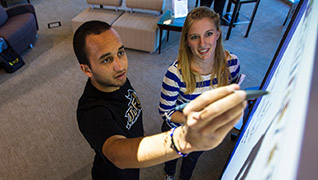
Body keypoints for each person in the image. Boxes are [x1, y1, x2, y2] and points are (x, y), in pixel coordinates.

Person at [73, 20, 246, 180]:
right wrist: (183, 139)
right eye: (106, 60)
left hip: (134, 165)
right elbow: (116, 154)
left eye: (121, 52)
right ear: (87, 69)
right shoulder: (91, 112)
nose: (120, 66)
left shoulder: (117, 79)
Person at [159, 7, 240, 180]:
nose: (203, 44)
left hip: (205, 130)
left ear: (218, 34)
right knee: (172, 157)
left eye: (209, 34)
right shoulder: (175, 73)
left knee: (192, 160)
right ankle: (169, 174)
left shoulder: (231, 63)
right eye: (195, 37)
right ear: (187, 41)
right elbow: (166, 112)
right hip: (178, 129)